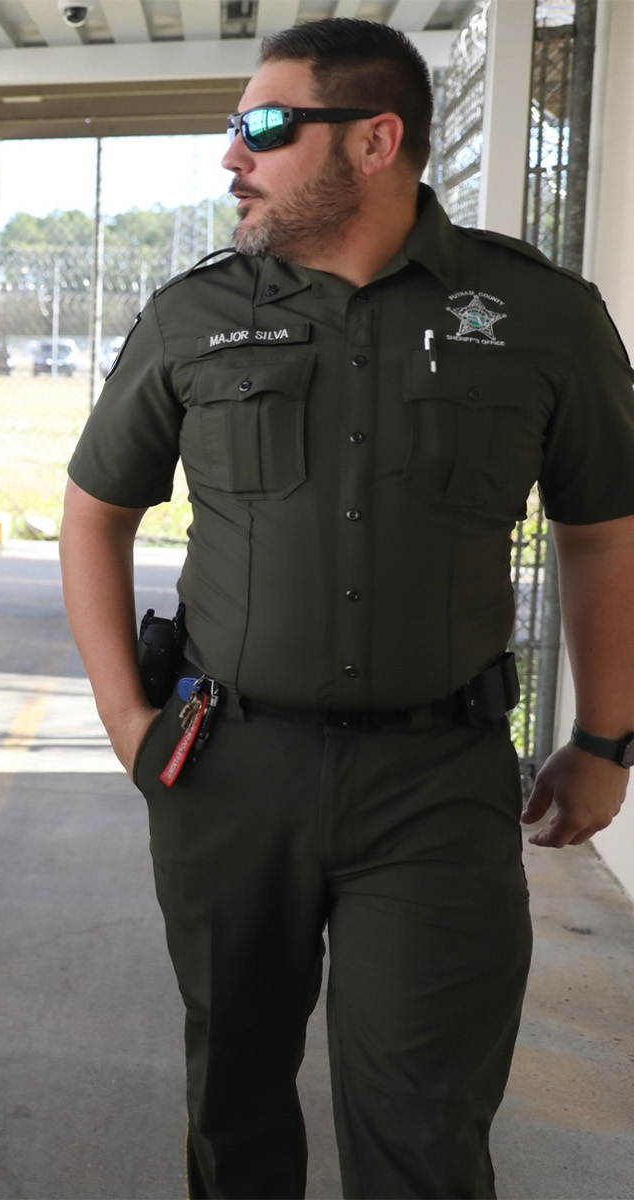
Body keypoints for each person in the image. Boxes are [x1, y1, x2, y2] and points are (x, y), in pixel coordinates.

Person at [59, 19, 634, 1199]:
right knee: (236, 1104)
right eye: (234, 129)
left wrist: (606, 740)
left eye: (264, 128)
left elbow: (602, 532)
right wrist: (127, 720)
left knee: (424, 1126)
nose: (233, 157)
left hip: (438, 784)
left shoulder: (541, 318)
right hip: (229, 773)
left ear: (378, 140)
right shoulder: (192, 317)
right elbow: (93, 514)